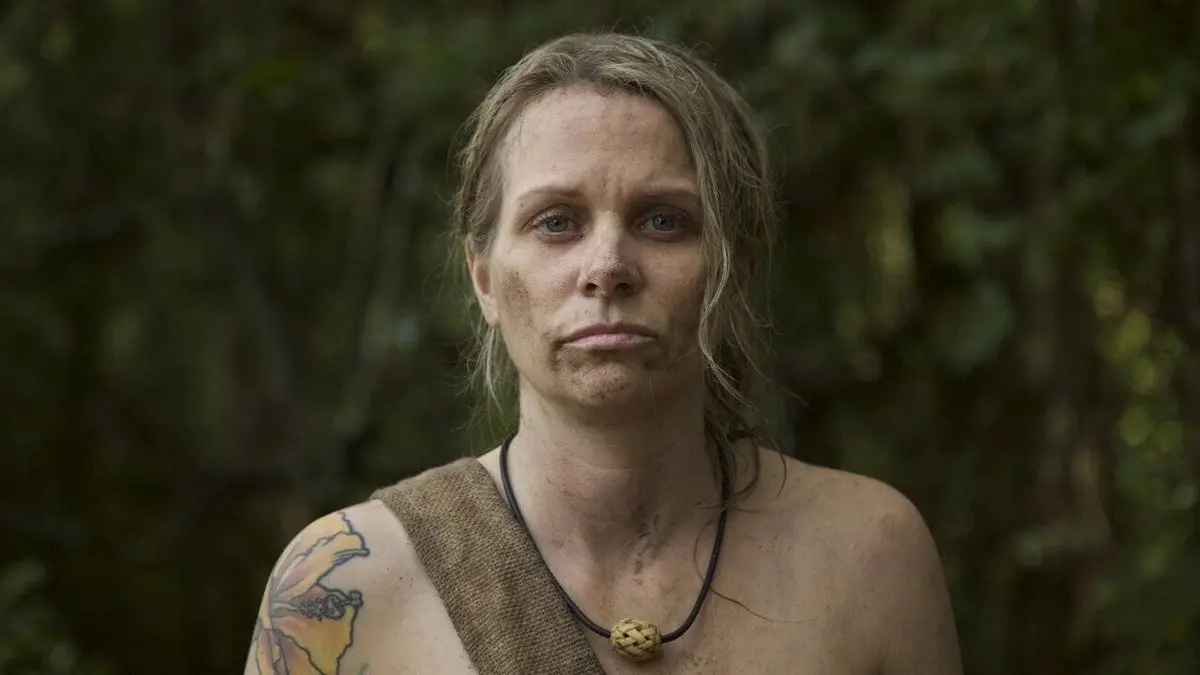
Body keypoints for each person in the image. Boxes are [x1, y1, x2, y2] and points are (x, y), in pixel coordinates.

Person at [243, 32, 962, 675]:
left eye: (663, 220)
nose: (608, 266)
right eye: (557, 222)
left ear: (735, 270)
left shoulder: (869, 553)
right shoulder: (347, 587)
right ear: (483, 278)